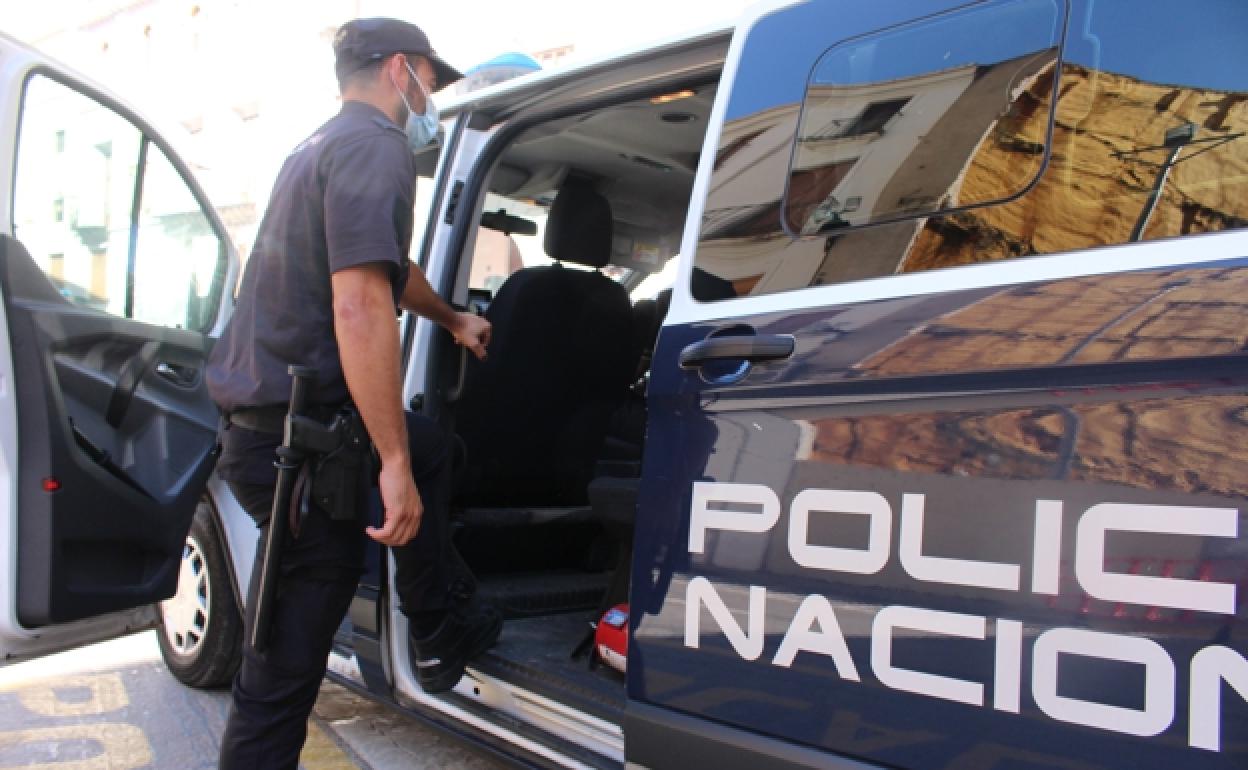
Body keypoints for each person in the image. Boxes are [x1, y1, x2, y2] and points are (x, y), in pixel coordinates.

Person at [205, 18, 500, 769]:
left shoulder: (320, 146)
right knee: (281, 673)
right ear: (399, 69)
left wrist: (452, 317)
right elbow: (361, 305)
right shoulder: (377, 144)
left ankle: (434, 626)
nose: (431, 97)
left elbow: (388, 268)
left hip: (279, 427)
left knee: (434, 448)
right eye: (430, 78)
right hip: (303, 450)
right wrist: (391, 462)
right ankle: (433, 626)